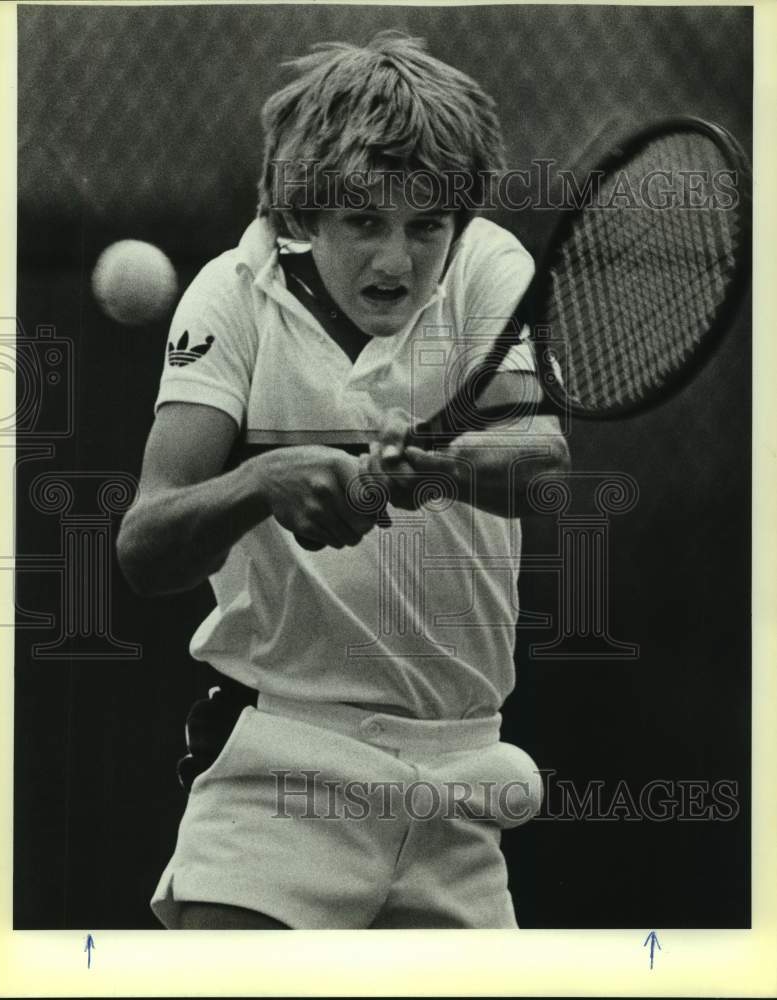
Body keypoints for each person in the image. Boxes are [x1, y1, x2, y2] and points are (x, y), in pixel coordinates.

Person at [117, 31, 570, 930]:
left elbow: (539, 460)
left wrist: (440, 468)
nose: (396, 261)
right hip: (280, 772)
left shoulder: (488, 267)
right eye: (364, 222)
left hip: (459, 786)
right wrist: (264, 483)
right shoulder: (230, 294)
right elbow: (144, 544)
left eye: (424, 225)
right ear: (304, 217)